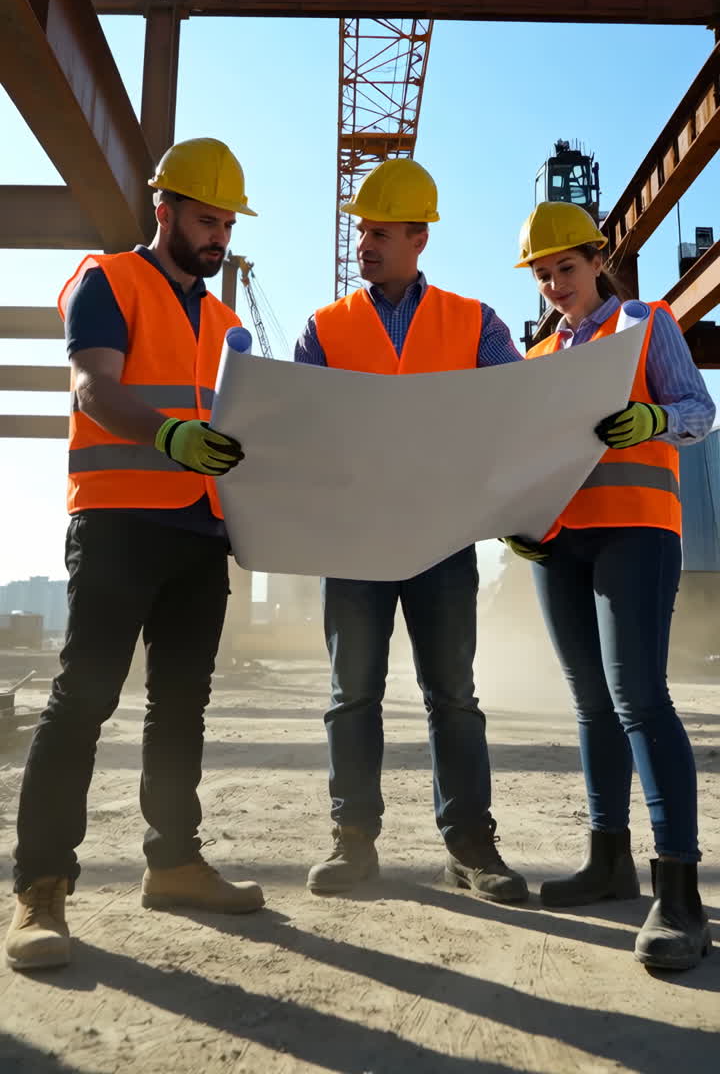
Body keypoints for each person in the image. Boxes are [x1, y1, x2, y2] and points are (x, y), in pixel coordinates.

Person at [5, 138, 264, 973]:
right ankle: (40, 888)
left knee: (181, 705)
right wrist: (168, 434)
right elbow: (94, 388)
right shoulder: (107, 281)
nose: (217, 236)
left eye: (227, 223)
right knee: (83, 698)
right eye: (204, 219)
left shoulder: (229, 324)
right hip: (119, 521)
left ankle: (175, 863)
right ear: (166, 211)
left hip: (200, 531)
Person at [295, 157, 528, 903]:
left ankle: (471, 847)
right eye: (362, 228)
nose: (365, 242)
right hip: (355, 540)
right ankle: (353, 842)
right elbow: (295, 431)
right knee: (351, 695)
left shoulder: (474, 321)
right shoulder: (325, 327)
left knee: (452, 695)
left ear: (419, 238)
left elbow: (515, 408)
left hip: (439, 538)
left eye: (382, 231)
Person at [505, 199, 714, 970]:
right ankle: (608, 861)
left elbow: (702, 409)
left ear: (599, 260)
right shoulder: (536, 360)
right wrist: (518, 519)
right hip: (562, 543)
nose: (556, 285)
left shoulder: (645, 325)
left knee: (639, 698)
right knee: (592, 704)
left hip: (636, 529)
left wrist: (652, 418)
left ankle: (682, 896)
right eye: (544, 275)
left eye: (567, 267)